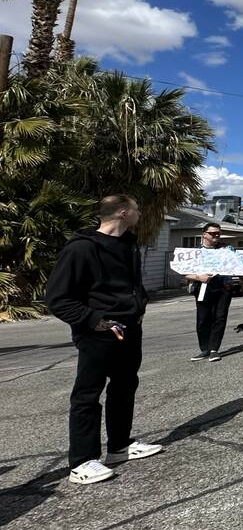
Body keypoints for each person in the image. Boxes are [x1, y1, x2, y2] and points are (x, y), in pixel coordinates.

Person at [46, 195, 163, 485]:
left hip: (129, 328)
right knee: (88, 393)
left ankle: (119, 446)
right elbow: (58, 299)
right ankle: (82, 461)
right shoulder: (82, 248)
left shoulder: (129, 244)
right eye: (136, 209)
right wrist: (96, 321)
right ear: (123, 212)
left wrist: (140, 307)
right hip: (97, 333)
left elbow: (134, 285)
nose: (140, 213)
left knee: (125, 387)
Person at [184, 222, 236, 363]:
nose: (216, 236)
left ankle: (214, 349)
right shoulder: (195, 252)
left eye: (218, 233)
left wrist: (242, 281)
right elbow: (185, 273)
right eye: (212, 233)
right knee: (203, 319)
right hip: (202, 288)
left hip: (224, 287)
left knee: (220, 317)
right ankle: (205, 349)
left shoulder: (227, 249)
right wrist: (198, 277)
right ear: (204, 235)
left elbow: (238, 265)